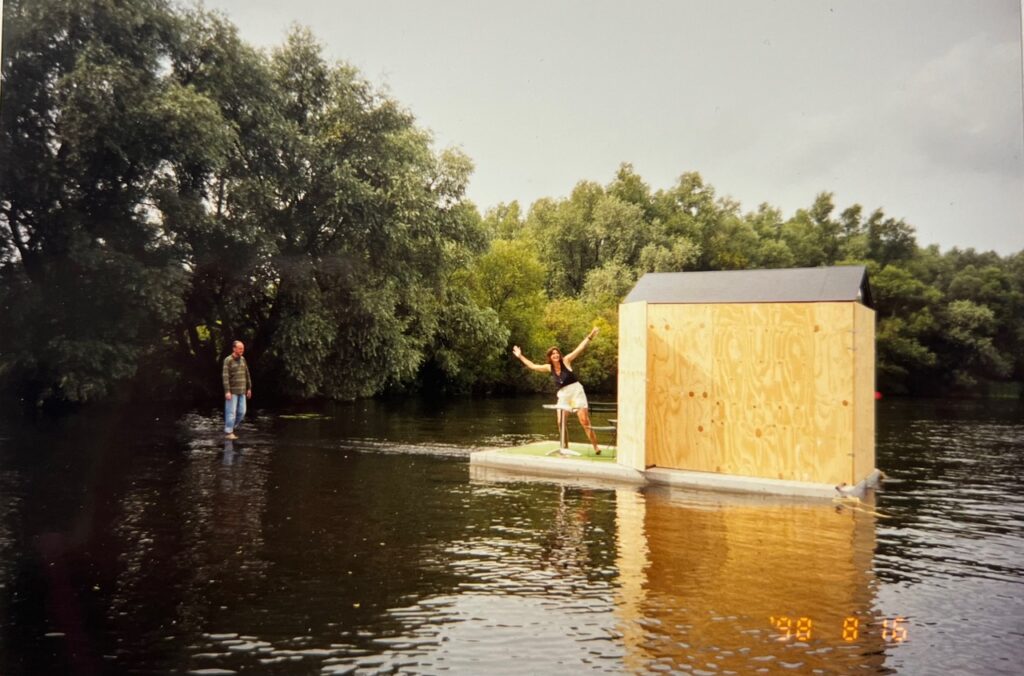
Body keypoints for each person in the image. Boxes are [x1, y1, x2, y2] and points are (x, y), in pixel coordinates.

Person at [512, 328, 602, 454]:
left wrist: (590, 336)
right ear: (550, 357)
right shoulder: (549, 367)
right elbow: (533, 366)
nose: (555, 355)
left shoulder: (566, 361)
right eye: (553, 354)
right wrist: (520, 356)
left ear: (559, 355)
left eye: (557, 353)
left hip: (576, 392)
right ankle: (565, 447)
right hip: (564, 395)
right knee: (560, 422)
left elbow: (580, 348)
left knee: (584, 421)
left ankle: (596, 447)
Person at [222, 340, 252, 440]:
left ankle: (231, 427)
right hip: (232, 391)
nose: (242, 350)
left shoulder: (243, 359)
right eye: (240, 349)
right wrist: (227, 391)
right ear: (234, 349)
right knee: (231, 412)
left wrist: (249, 388)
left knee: (242, 412)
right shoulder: (228, 360)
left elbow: (247, 374)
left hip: (242, 390)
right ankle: (229, 432)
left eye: (242, 349)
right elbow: (225, 377)